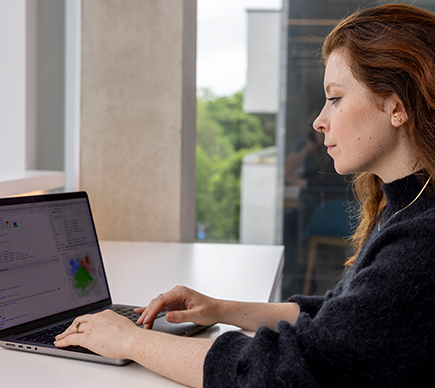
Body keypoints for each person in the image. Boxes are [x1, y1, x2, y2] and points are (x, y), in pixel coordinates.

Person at [55, 4, 435, 387]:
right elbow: (342, 318)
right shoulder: (408, 206)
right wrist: (221, 308)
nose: (319, 120)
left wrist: (130, 340)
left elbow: (281, 372)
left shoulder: (422, 240)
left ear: (396, 106)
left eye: (335, 98)